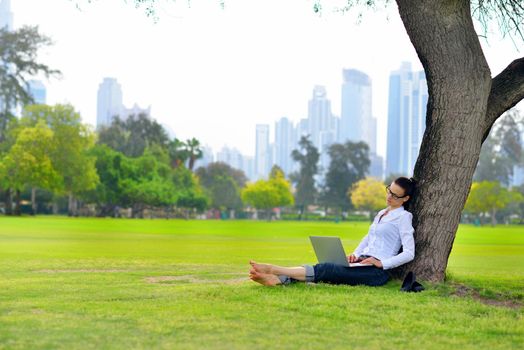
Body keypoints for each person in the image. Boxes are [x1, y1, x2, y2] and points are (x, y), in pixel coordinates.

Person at [249, 177, 416, 287]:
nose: (389, 196)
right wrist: (356, 254)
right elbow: (369, 237)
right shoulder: (382, 213)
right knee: (329, 268)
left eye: (395, 195)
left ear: (405, 198)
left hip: (376, 272)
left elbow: (409, 253)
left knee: (329, 269)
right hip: (361, 262)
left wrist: (381, 263)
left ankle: (274, 270)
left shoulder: (404, 217)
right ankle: (278, 280)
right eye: (389, 190)